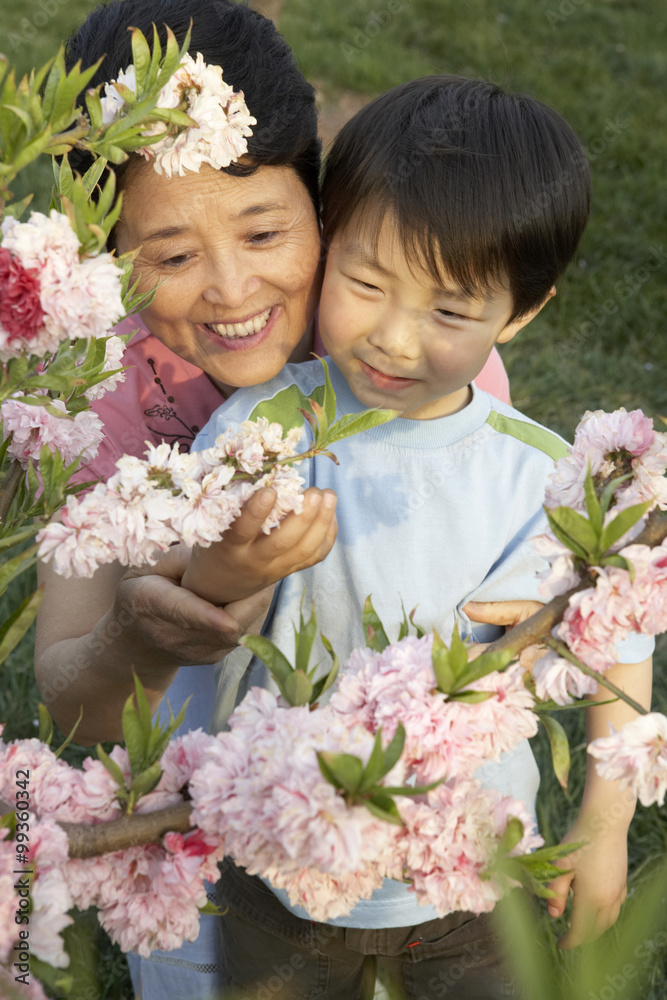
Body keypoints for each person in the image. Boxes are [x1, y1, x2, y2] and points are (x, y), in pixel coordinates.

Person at [33, 5, 510, 997]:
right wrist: (139, 632)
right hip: (198, 831)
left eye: (264, 230)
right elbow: (74, 704)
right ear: (100, 249)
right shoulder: (95, 392)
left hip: (399, 834)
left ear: (322, 203)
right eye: (168, 256)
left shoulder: (411, 355)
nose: (231, 287)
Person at [187, 76, 654, 999]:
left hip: (476, 867)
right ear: (328, 249)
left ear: (519, 313)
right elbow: (185, 601)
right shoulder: (258, 435)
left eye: (448, 312)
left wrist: (604, 825)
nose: (394, 339)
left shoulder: (546, 475)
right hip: (279, 855)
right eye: (364, 283)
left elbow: (618, 633)